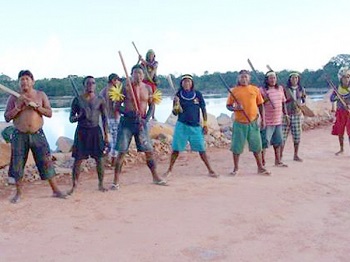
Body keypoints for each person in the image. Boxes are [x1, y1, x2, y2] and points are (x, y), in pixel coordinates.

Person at [4, 70, 66, 203]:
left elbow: (49, 113)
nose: (24, 82)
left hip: (38, 134)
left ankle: (55, 190)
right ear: (19, 83)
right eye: (22, 79)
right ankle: (18, 193)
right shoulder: (14, 97)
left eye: (27, 79)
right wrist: (18, 107)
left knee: (46, 162)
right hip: (19, 135)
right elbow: (7, 117)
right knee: (17, 164)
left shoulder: (40, 95)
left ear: (32, 81)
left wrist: (37, 108)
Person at [112, 64, 166, 190]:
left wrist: (146, 120)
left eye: (141, 73)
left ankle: (155, 177)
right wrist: (128, 112)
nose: (138, 76)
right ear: (131, 74)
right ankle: (115, 181)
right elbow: (116, 106)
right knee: (122, 152)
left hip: (141, 123)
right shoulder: (124, 87)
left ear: (143, 75)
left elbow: (152, 106)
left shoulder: (148, 88)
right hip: (126, 123)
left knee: (148, 151)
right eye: (136, 73)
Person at [162, 74, 218, 178]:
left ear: (192, 83)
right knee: (176, 149)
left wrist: (205, 124)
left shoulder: (197, 94)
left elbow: (203, 109)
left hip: (196, 127)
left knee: (202, 149)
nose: (186, 83)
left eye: (188, 81)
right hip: (182, 126)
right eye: (184, 81)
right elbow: (175, 112)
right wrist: (176, 104)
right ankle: (169, 170)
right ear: (181, 83)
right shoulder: (178, 95)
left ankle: (210, 170)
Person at [68, 76, 109, 194]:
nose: (91, 85)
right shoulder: (77, 100)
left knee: (99, 159)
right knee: (78, 160)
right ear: (84, 85)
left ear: (95, 85)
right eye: (88, 83)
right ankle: (74, 185)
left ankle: (101, 184)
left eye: (93, 83)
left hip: (95, 131)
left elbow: (105, 119)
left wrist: (107, 135)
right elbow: (71, 118)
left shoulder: (100, 99)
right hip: (82, 131)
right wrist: (78, 116)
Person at [226, 69, 270, 176]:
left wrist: (263, 119)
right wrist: (236, 108)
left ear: (249, 78)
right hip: (239, 123)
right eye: (242, 77)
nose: (244, 79)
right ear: (238, 78)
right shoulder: (234, 91)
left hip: (253, 122)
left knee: (257, 146)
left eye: (246, 77)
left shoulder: (255, 89)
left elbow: (260, 105)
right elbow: (228, 106)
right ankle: (236, 168)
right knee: (237, 147)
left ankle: (260, 167)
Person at [260, 70, 289, 167]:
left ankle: (278, 161)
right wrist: (265, 99)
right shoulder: (262, 90)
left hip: (278, 120)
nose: (272, 80)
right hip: (267, 121)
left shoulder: (280, 89)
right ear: (267, 79)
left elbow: (283, 102)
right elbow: (259, 104)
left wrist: (286, 115)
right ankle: (262, 163)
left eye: (274, 78)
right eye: (270, 78)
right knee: (264, 143)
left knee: (278, 142)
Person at [280, 72, 307, 162]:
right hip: (286, 115)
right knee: (282, 137)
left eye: (296, 78)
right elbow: (282, 101)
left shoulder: (301, 89)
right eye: (293, 78)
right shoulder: (285, 89)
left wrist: (301, 104)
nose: (294, 79)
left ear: (298, 79)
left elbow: (304, 101)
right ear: (290, 79)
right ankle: (280, 156)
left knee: (297, 136)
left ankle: (296, 155)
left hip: (297, 115)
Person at [99, 73, 122, 166]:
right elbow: (115, 106)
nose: (119, 82)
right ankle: (113, 160)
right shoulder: (113, 90)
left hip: (105, 118)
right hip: (113, 117)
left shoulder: (103, 91)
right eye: (117, 80)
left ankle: (107, 158)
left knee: (108, 138)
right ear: (113, 80)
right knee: (115, 139)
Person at [330, 67, 350, 155]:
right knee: (340, 131)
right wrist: (337, 97)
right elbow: (331, 98)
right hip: (340, 112)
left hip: (349, 112)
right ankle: (341, 149)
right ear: (341, 78)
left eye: (348, 77)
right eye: (344, 77)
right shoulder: (337, 89)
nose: (347, 79)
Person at [139, 49, 158, 120]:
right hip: (144, 82)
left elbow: (153, 67)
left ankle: (153, 116)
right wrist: (139, 60)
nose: (150, 56)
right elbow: (136, 67)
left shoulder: (155, 63)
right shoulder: (143, 64)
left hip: (151, 82)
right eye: (149, 55)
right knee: (143, 98)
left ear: (154, 56)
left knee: (152, 99)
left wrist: (145, 62)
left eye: (152, 55)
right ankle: (142, 114)